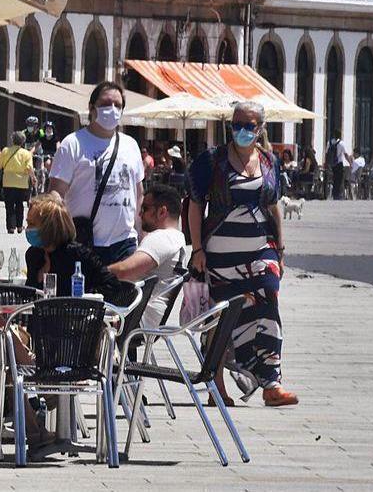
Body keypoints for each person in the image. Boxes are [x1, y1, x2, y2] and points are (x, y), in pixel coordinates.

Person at [188, 101, 297, 407]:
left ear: (261, 128)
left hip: (261, 251)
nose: (242, 131)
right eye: (237, 124)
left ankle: (271, 383)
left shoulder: (267, 161)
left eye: (250, 126)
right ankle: (216, 384)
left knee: (269, 308)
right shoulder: (212, 161)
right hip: (221, 257)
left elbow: (274, 204)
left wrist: (281, 249)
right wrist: (198, 248)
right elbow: (195, 204)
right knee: (221, 319)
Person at [48, 81, 144, 263]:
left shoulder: (131, 145)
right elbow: (56, 193)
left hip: (125, 243)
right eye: (106, 104)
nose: (113, 109)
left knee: (124, 292)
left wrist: (141, 234)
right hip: (83, 241)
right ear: (92, 109)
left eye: (118, 105)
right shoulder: (73, 143)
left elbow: (138, 193)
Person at [22, 194, 136, 305]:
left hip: (75, 319)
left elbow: (111, 285)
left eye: (32, 224)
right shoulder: (33, 255)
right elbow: (28, 295)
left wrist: (85, 301)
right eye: (28, 223)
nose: (28, 229)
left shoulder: (78, 254)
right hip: (40, 319)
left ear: (49, 227)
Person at [107, 184, 187, 327]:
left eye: (145, 208)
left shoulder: (161, 238)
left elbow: (124, 271)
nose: (139, 214)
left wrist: (92, 274)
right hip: (149, 319)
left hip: (135, 319)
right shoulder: (178, 238)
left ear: (162, 212)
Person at [0, 131, 35, 234]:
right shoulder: (27, 153)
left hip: (8, 182)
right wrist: (33, 177)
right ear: (23, 141)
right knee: (19, 204)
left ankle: (10, 227)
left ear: (12, 140)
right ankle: (20, 226)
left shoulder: (5, 151)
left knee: (9, 205)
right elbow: (29, 168)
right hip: (21, 183)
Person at [327, 130, 351, 199]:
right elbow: (345, 154)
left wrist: (327, 163)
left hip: (331, 164)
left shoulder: (330, 143)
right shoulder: (341, 144)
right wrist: (350, 163)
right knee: (339, 180)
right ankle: (338, 194)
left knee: (333, 179)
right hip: (339, 164)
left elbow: (327, 153)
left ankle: (333, 194)